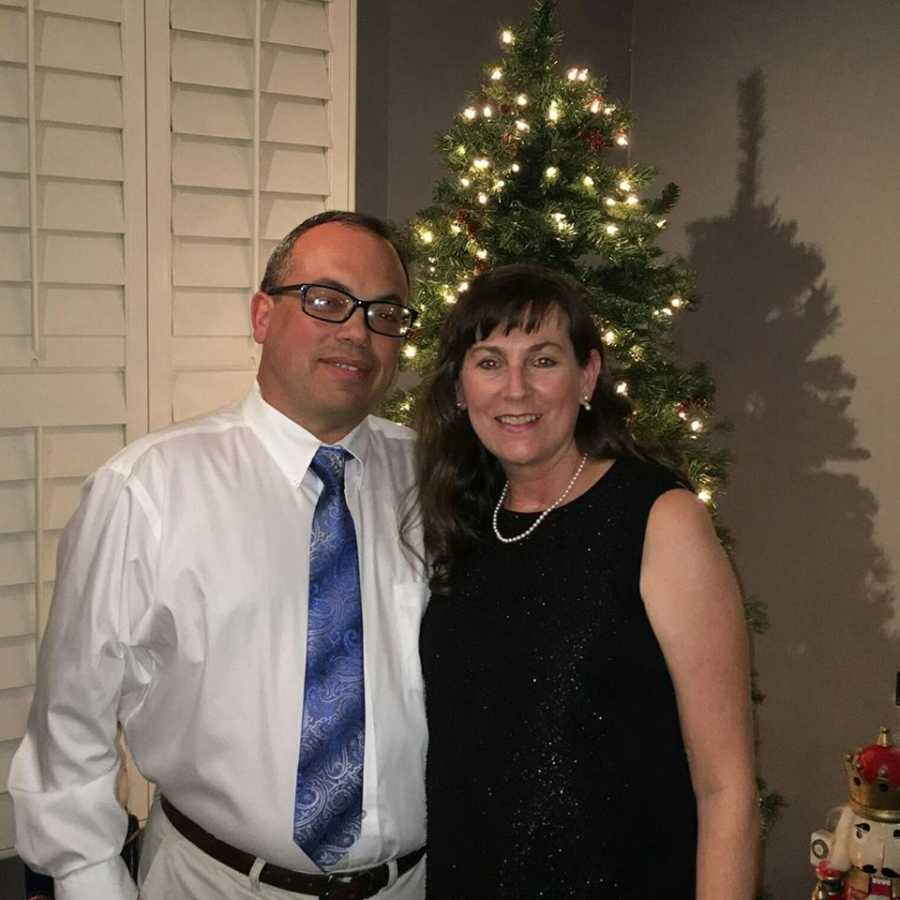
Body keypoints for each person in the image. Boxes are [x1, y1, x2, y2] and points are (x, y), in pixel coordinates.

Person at [9, 211, 429, 900]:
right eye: (325, 300)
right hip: (218, 882)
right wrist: (90, 879)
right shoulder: (146, 490)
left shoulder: (431, 478)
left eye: (384, 312)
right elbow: (70, 722)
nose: (356, 331)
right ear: (264, 315)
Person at [414, 264, 758, 899]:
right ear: (461, 390)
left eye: (543, 360)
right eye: (489, 363)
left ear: (588, 376)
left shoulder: (659, 518)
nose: (515, 391)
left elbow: (726, 785)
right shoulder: (456, 526)